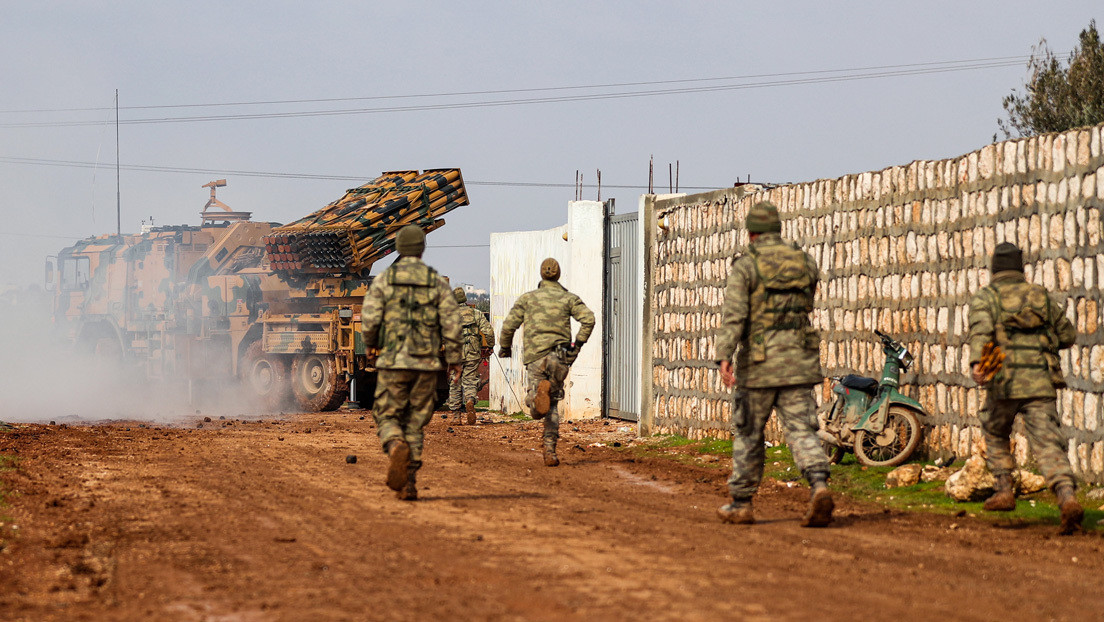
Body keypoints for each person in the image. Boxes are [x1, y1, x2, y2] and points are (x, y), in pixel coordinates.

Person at [714, 201, 833, 527]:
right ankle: (819, 485)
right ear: (777, 229)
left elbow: (735, 316)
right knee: (802, 430)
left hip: (759, 364)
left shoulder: (747, 266)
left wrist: (724, 355)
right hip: (798, 361)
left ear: (751, 233)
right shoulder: (803, 262)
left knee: (750, 433)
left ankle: (741, 503)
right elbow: (806, 303)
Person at [967, 241, 1083, 534]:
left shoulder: (987, 296)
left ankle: (1004, 489)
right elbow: (1067, 334)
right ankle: (1067, 497)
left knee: (994, 431)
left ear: (994, 268)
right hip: (1041, 384)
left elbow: (981, 330)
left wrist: (977, 364)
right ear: (1021, 268)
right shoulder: (1040, 295)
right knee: (1048, 443)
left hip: (1002, 382)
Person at [361, 225, 462, 500]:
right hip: (426, 363)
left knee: (387, 414)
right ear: (421, 248)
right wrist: (454, 358)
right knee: (416, 422)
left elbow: (369, 318)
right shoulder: (436, 282)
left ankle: (394, 445)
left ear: (398, 248)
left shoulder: (384, 280)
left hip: (393, 362)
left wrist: (370, 344)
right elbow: (452, 323)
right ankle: (410, 482)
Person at [498, 258, 595, 467]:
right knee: (552, 406)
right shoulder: (569, 298)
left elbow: (508, 326)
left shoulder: (528, 299)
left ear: (542, 275)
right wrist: (577, 345)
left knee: (536, 405)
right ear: (558, 275)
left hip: (535, 356)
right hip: (560, 356)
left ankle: (533, 400)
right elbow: (589, 319)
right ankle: (550, 450)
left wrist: (504, 348)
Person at [447, 287, 495, 424]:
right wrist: (490, 346)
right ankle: (469, 400)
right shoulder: (476, 313)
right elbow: (488, 331)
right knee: (470, 380)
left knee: (455, 381)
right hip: (473, 351)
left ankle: (456, 416)